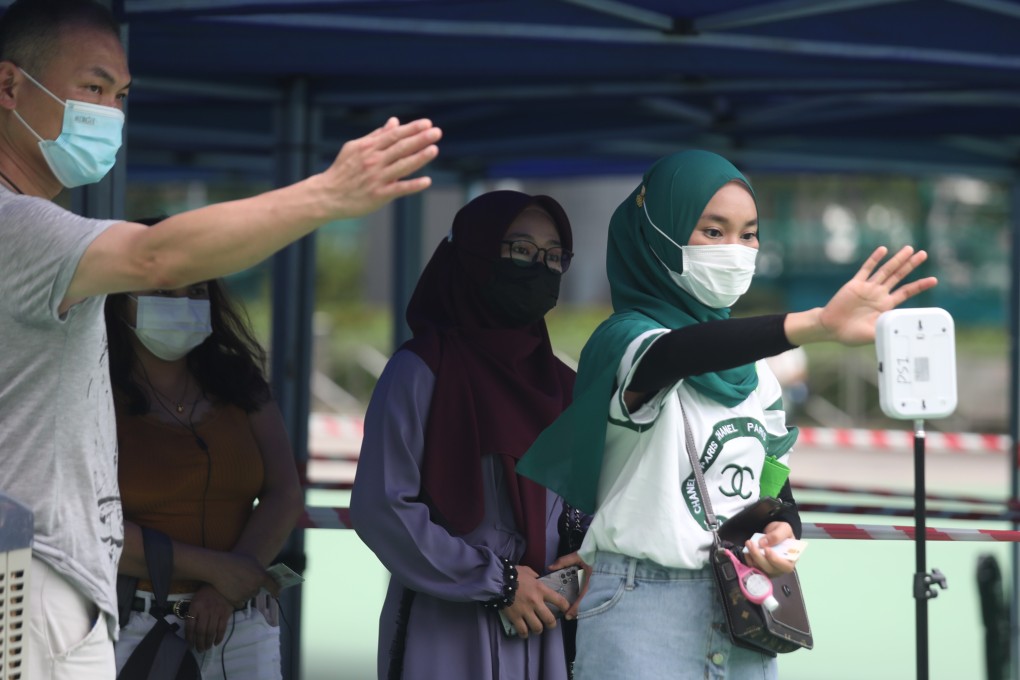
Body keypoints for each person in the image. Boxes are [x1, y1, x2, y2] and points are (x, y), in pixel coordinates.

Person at [0, 0, 440, 676]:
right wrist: (326, 196)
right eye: (91, 88)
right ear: (9, 87)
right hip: (36, 595)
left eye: (120, 95)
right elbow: (155, 257)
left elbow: (281, 492)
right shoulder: (15, 226)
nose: (109, 113)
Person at [517, 150, 938, 679]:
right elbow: (677, 354)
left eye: (748, 234)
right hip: (642, 604)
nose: (736, 251)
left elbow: (772, 493)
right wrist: (812, 324)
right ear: (658, 236)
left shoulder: (756, 374)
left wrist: (781, 533)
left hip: (741, 602)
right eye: (713, 233)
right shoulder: (626, 341)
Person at [350, 190, 587, 680]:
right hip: (448, 617)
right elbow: (384, 507)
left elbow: (589, 504)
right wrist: (494, 582)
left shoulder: (565, 387)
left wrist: (589, 561)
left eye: (552, 255)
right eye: (520, 250)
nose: (538, 266)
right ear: (475, 256)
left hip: (544, 620)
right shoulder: (421, 370)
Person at [104, 246, 303, 678]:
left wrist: (224, 590)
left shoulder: (240, 381)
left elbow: (285, 493)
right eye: (162, 291)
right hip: (131, 625)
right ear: (118, 297)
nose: (184, 304)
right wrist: (219, 571)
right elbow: (92, 524)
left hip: (243, 623)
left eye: (196, 290)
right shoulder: (92, 392)